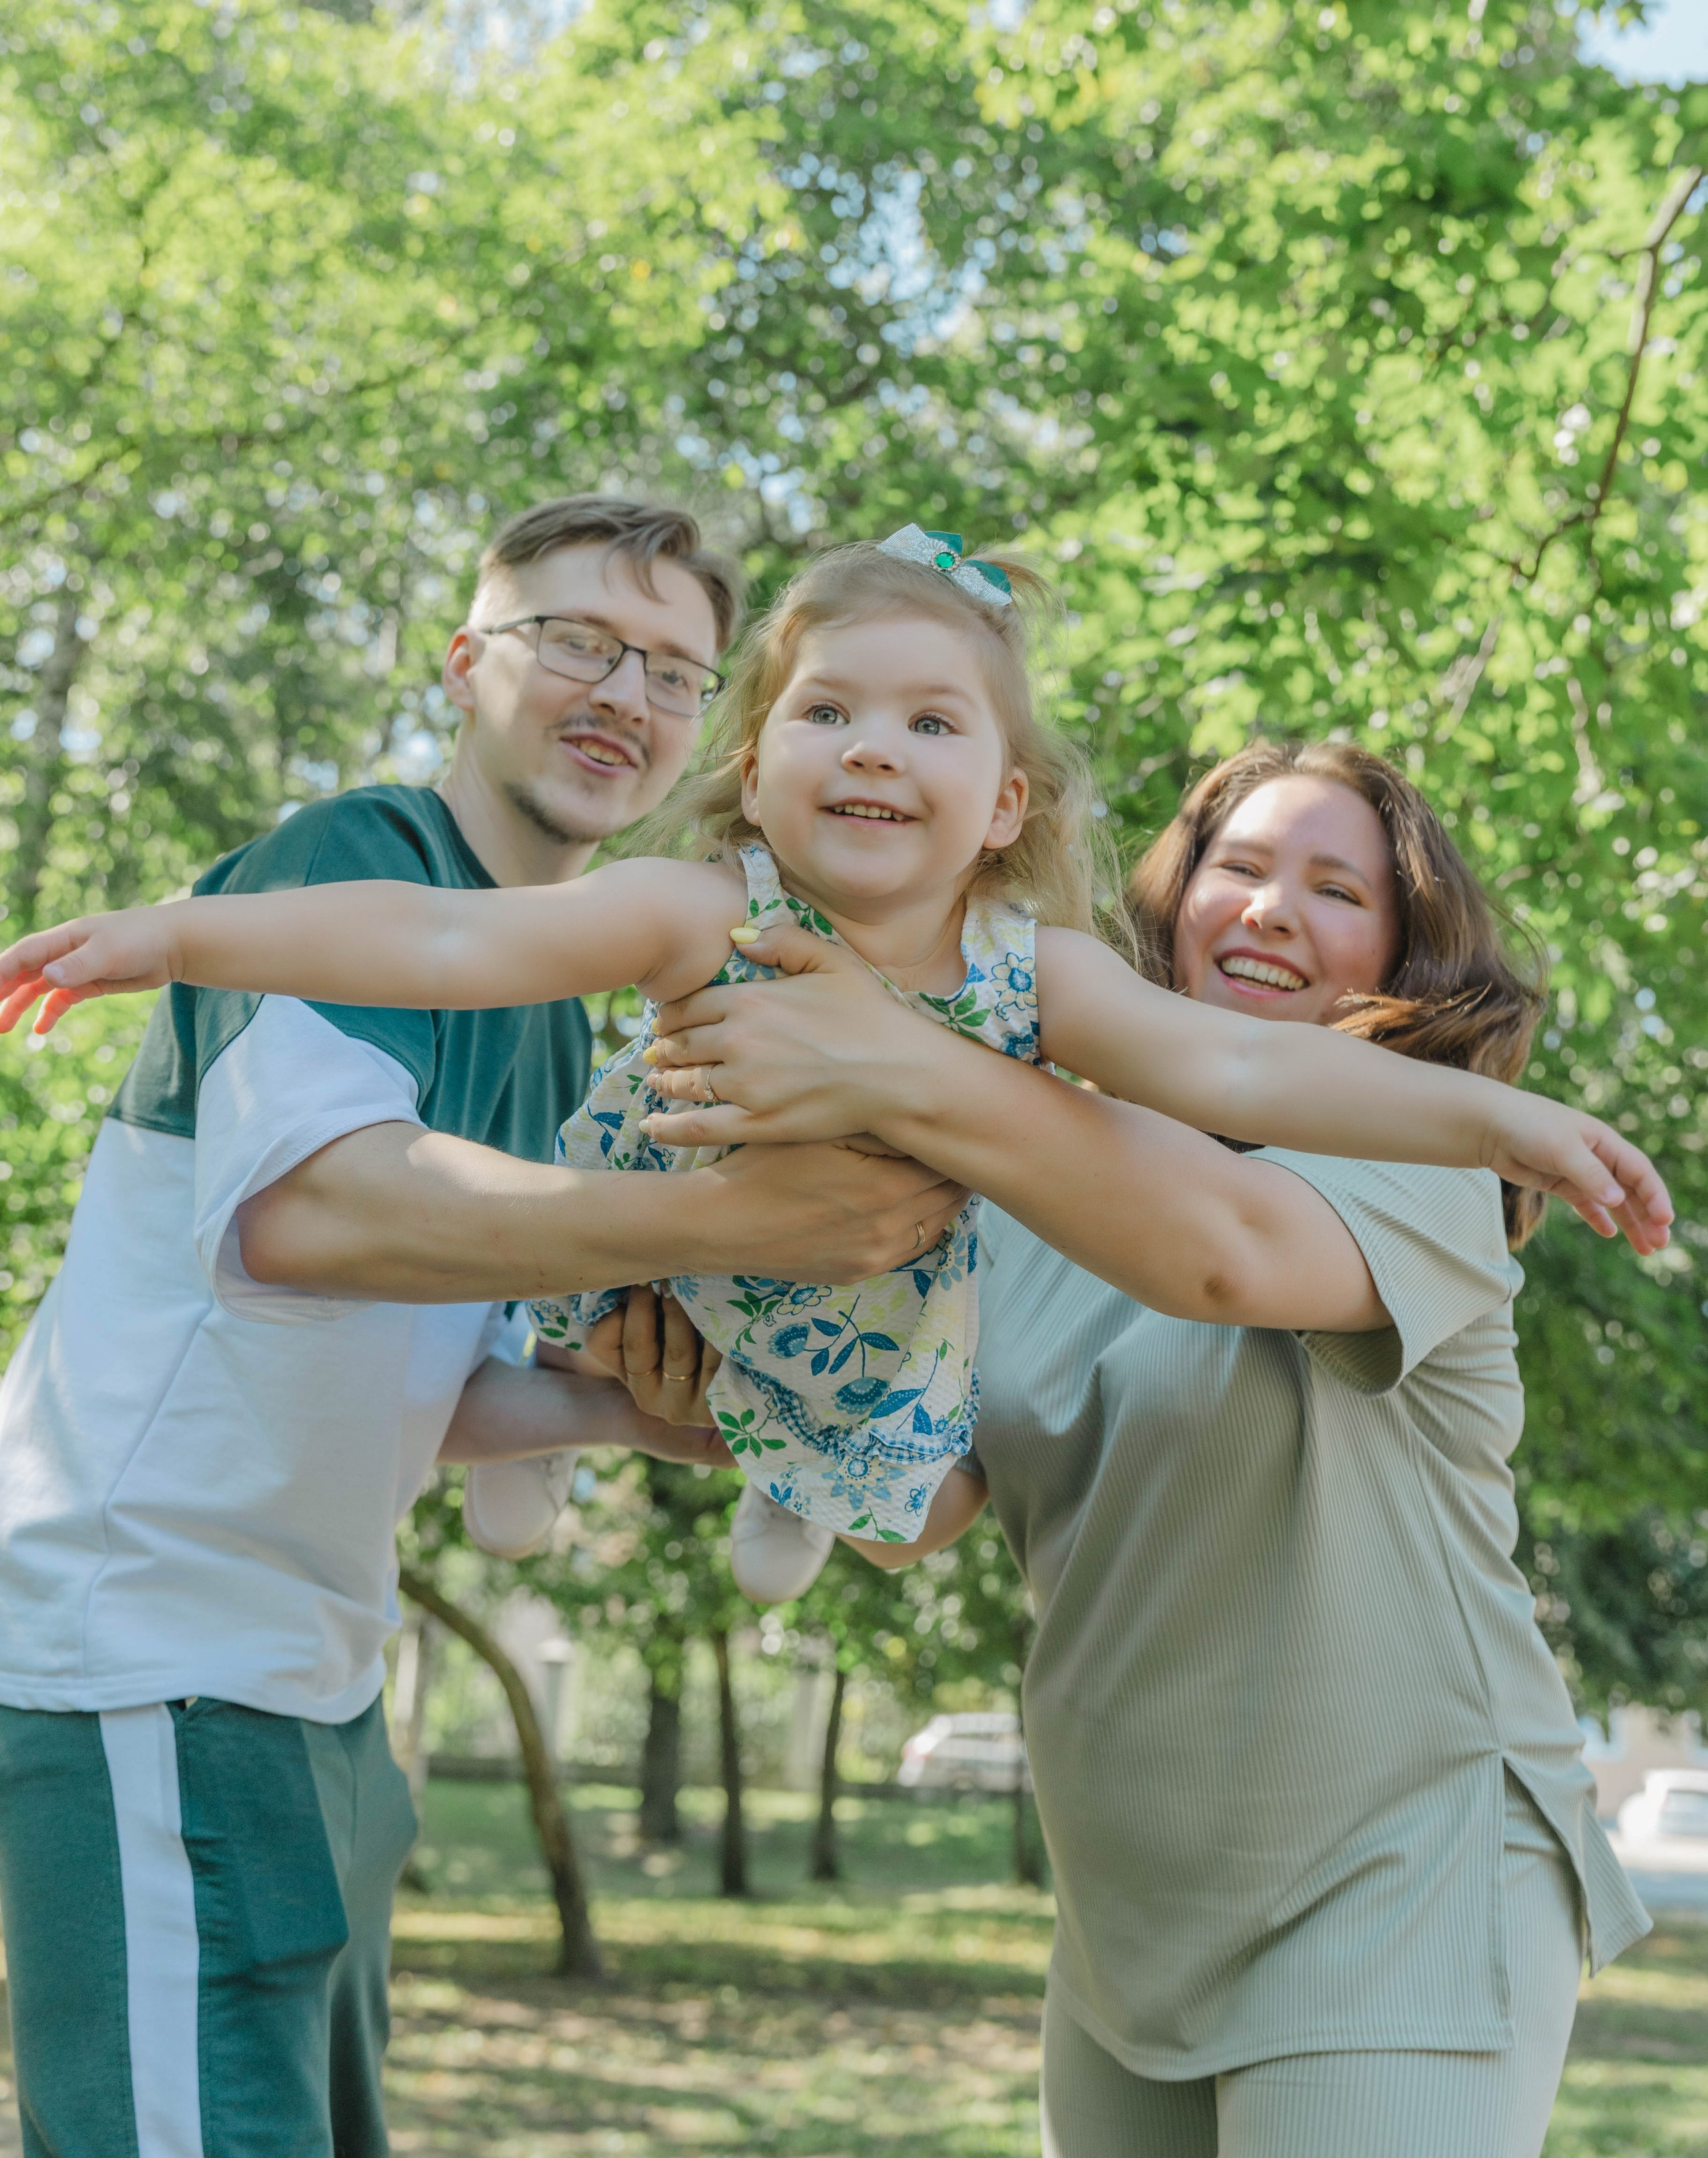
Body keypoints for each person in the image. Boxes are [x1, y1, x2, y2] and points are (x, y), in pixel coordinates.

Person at [5, 528, 1667, 1616]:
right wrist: (175, 934)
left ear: (1004, 806)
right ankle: (530, 1433)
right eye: (829, 714)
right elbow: (443, 945)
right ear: (761, 763)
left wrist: (1502, 1118)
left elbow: (1259, 1071)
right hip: (668, 1236)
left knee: (890, 1444)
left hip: (845, 1320)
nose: (873, 747)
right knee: (562, 1279)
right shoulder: (696, 905)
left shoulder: (1043, 980)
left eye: (932, 726)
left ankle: (786, 1498)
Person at [0, 494, 962, 2158]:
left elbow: (419, 1379)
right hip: (148, 1654)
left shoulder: (561, 1011)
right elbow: (316, 1219)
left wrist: (629, 1413)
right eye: (577, 642)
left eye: (672, 671)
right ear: (465, 664)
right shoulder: (353, 874)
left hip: (314, 1689)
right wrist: (729, 1221)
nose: (623, 695)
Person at [598, 738, 1657, 2158]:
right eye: (1239, 867)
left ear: (1398, 958)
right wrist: (753, 1401)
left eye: (1334, 888)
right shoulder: (1031, 1181)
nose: (1273, 907)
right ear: (1169, 909)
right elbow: (927, 1502)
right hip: (1129, 1914)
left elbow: (1221, 1258)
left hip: (1397, 1874)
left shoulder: (1420, 1160)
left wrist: (899, 1054)